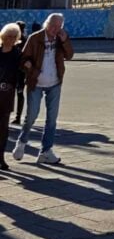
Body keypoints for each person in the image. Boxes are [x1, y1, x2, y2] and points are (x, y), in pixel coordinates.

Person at [13, 13, 74, 165]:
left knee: (52, 120)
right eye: (53, 26)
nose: (55, 29)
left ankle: (45, 151)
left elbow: (70, 55)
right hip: (36, 83)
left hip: (55, 83)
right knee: (31, 116)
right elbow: (23, 59)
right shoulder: (35, 38)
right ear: (46, 24)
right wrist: (32, 70)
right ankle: (21, 143)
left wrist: (65, 40)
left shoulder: (61, 38)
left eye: (59, 27)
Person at [0, 23, 23, 169]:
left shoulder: (17, 54)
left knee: (3, 128)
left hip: (7, 93)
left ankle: (0, 157)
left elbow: (21, 73)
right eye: (9, 36)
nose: (11, 39)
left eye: (14, 37)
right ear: (3, 36)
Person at [12, 20, 27, 126]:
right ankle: (17, 117)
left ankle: (17, 117)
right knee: (19, 93)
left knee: (18, 93)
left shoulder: (22, 40)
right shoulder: (24, 39)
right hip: (19, 71)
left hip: (18, 71)